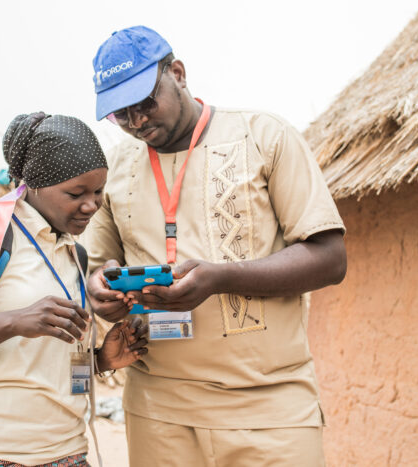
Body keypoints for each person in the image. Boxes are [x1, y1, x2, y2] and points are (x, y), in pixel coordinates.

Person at [82, 26, 347, 466]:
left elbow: (330, 257)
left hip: (270, 408)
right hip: (158, 411)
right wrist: (101, 292)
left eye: (146, 102)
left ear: (179, 74)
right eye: (121, 115)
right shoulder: (116, 170)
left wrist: (221, 277)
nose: (138, 121)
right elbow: (95, 267)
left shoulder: (264, 136)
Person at [0, 112, 148, 467]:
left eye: (98, 192)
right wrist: (15, 321)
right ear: (34, 184)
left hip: (67, 452)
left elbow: (38, 363)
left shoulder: (74, 252)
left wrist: (101, 361)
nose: (91, 205)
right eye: (76, 193)